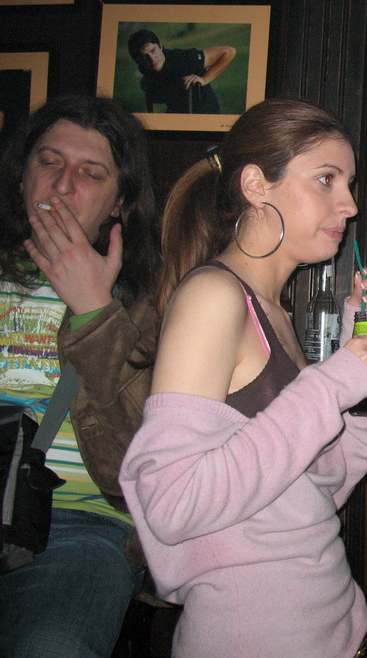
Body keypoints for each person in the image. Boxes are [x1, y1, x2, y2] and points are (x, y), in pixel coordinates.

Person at [120, 99, 367, 658]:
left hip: (324, 626)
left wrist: (364, 377)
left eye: (349, 183)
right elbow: (172, 506)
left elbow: (313, 492)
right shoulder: (213, 296)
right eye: (326, 179)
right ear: (256, 185)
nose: (349, 205)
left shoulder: (273, 312)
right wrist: (333, 382)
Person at [0, 95, 161, 657]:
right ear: (22, 175)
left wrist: (95, 311)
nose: (63, 185)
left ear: (119, 203)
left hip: (80, 524)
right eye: (49, 162)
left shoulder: (152, 301)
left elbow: (154, 453)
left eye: (91, 174)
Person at [126, 29, 236, 114]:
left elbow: (228, 52)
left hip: (205, 113)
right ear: (138, 60)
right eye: (144, 56)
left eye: (153, 50)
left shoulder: (184, 59)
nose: (151, 59)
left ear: (160, 46)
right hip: (178, 112)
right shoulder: (145, 67)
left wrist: (204, 79)